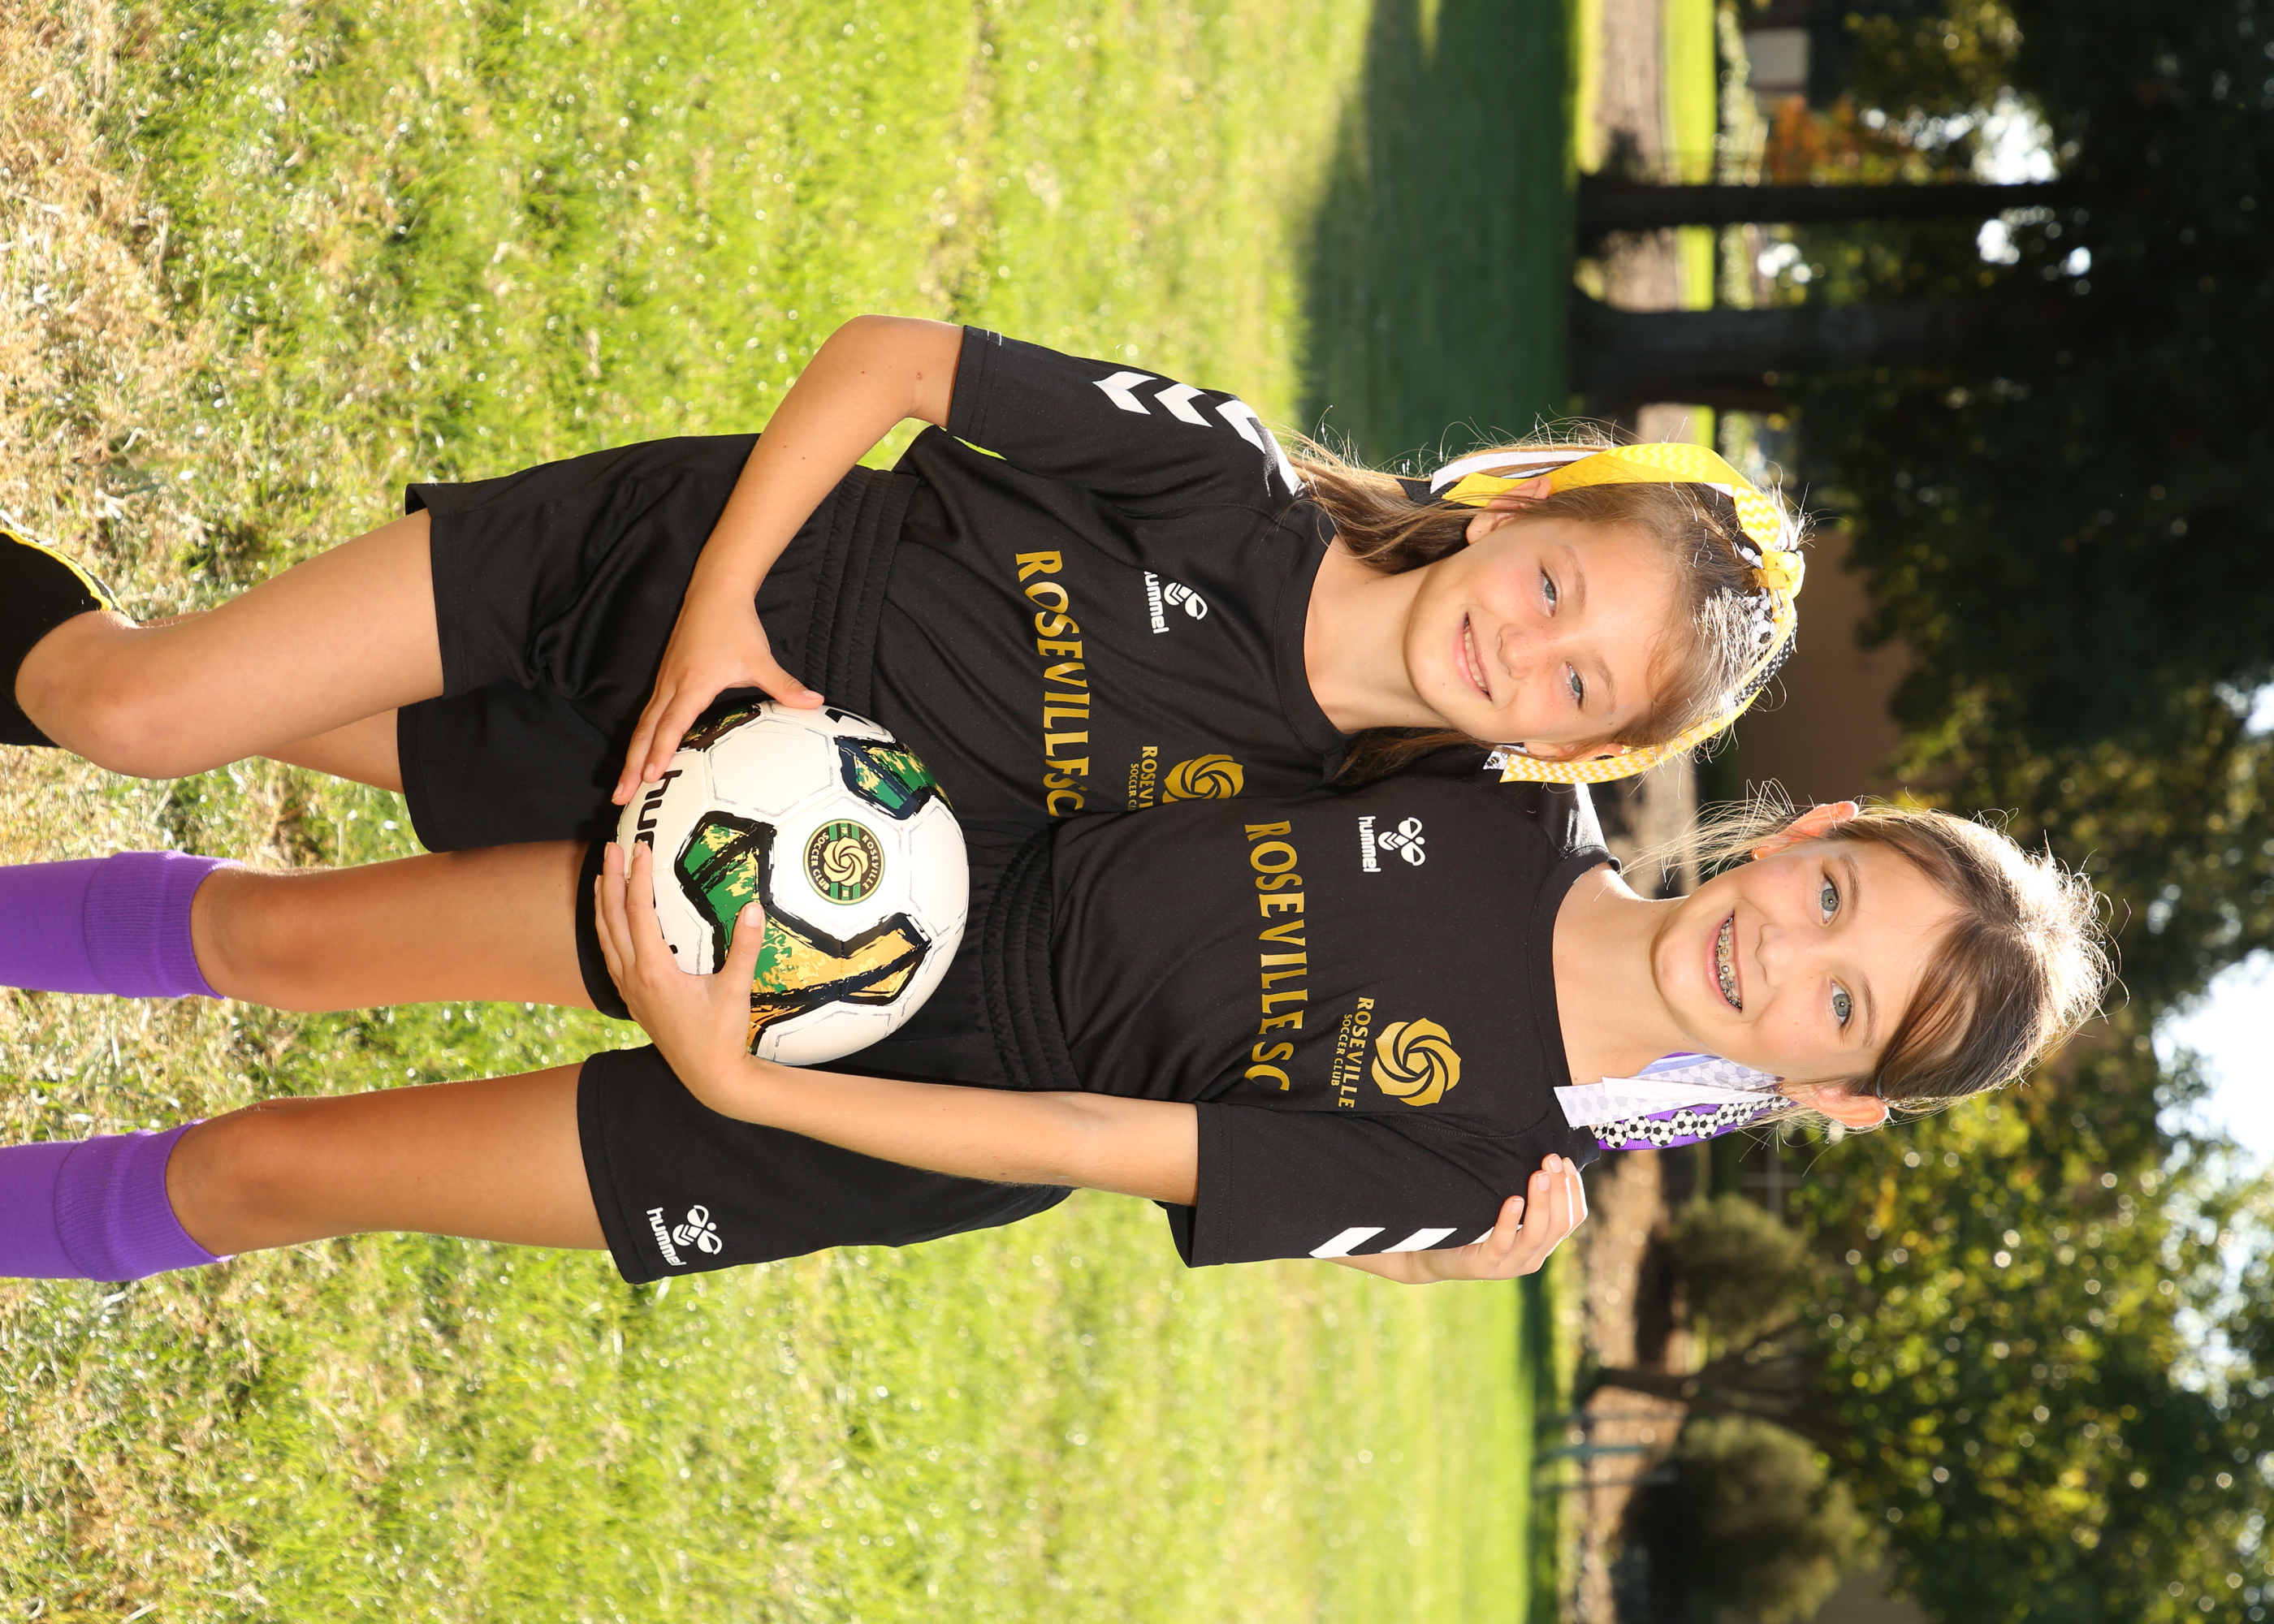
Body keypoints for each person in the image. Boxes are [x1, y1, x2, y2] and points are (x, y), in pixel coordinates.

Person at [0, 763, 2110, 1291]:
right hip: (872, 878)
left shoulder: (1492, 1166)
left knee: (273, 1170)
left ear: (1832, 1089)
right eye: (1833, 897)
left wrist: (746, 1086)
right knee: (277, 941)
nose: (1788, 954)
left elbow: (1106, 1149)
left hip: (877, 1133)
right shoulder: (1496, 795)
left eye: (1843, 1002)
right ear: (1807, 833)